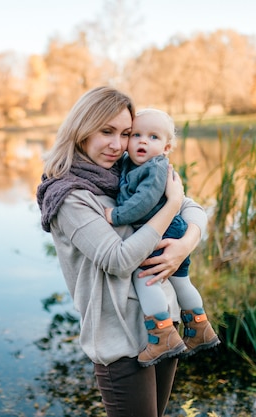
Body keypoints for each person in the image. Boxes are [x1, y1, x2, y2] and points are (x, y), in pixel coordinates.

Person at [36, 86, 208, 417]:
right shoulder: (71, 196)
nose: (117, 145)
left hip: (164, 326)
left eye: (126, 133)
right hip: (120, 339)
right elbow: (119, 260)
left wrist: (185, 243)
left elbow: (194, 208)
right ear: (81, 129)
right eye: (107, 131)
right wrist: (170, 204)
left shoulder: (129, 172)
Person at [104, 108, 220, 368]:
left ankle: (161, 336)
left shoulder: (155, 169)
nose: (143, 141)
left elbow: (144, 202)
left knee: (145, 277)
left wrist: (117, 215)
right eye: (136, 135)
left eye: (153, 137)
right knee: (181, 281)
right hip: (174, 229)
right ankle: (200, 327)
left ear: (166, 148)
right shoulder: (131, 162)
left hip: (163, 232)